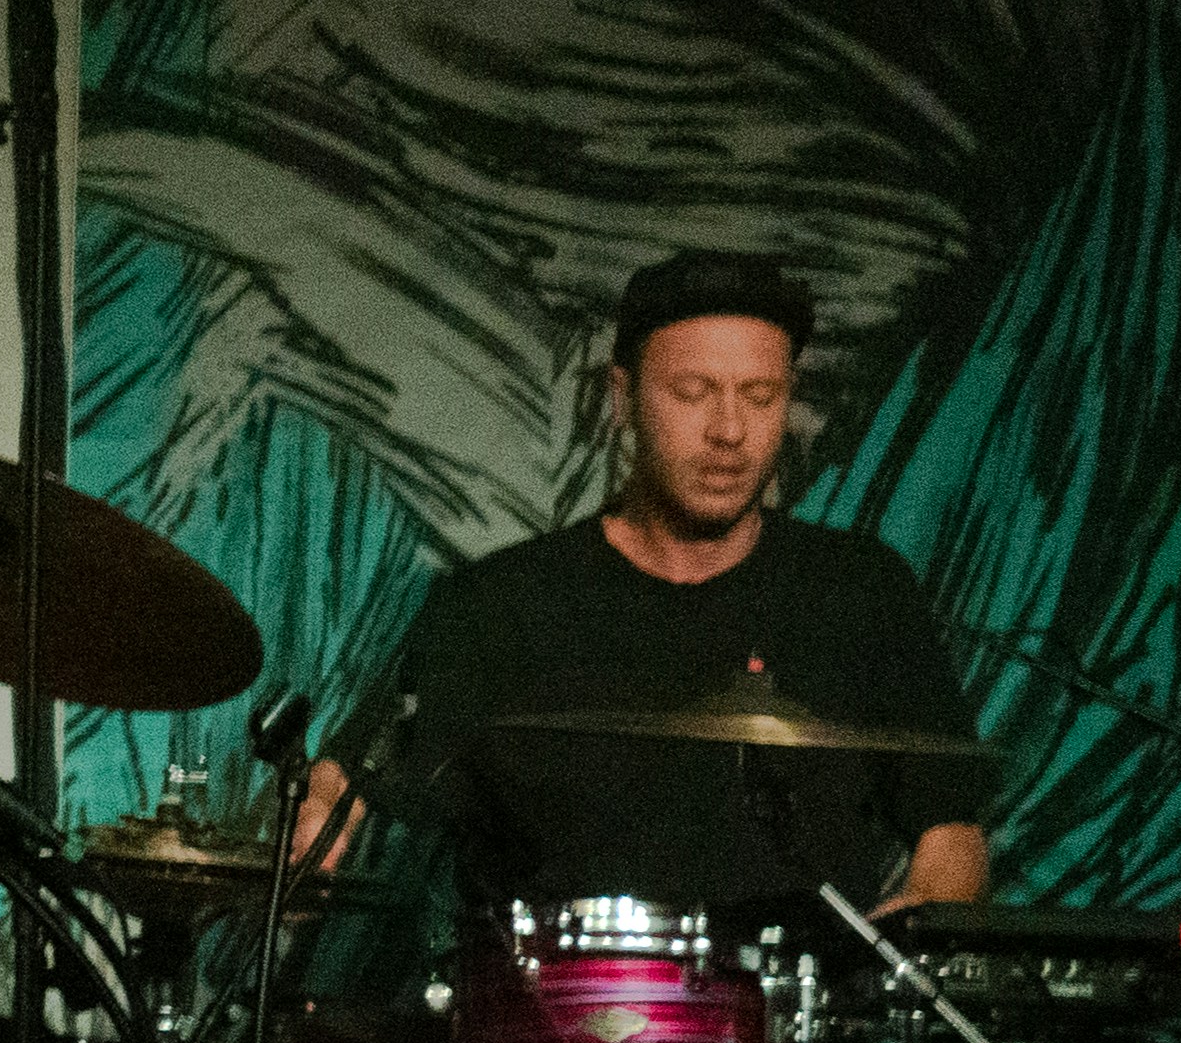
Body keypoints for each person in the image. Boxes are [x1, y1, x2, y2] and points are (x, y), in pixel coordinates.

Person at [303, 250, 994, 918]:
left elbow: (951, 829)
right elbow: (348, 782)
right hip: (546, 1022)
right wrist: (316, 822)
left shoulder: (859, 594)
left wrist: (930, 907)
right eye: (693, 393)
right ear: (624, 398)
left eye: (760, 396)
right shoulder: (500, 606)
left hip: (792, 1025)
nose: (730, 430)